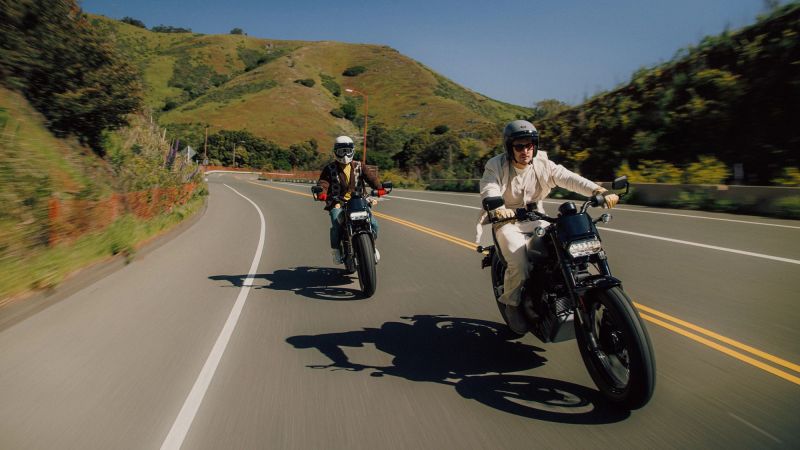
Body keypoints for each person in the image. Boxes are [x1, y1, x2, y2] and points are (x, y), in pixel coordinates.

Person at [477, 120, 618, 334]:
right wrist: (497, 206)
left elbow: (568, 178)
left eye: (529, 145)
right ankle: (512, 304)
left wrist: (598, 191)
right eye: (519, 146)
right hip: (507, 220)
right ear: (509, 147)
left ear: (535, 145)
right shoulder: (495, 165)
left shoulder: (543, 162)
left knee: (567, 249)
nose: (525, 150)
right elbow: (489, 186)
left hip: (538, 217)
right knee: (520, 262)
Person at [315, 136, 386, 264]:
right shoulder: (329, 169)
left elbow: (372, 179)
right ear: (336, 152)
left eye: (348, 151)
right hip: (338, 202)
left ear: (352, 151)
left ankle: (371, 247)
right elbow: (323, 183)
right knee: (337, 223)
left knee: (373, 223)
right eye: (342, 151)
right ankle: (336, 250)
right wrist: (322, 193)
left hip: (359, 201)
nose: (345, 154)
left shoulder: (360, 166)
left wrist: (380, 188)